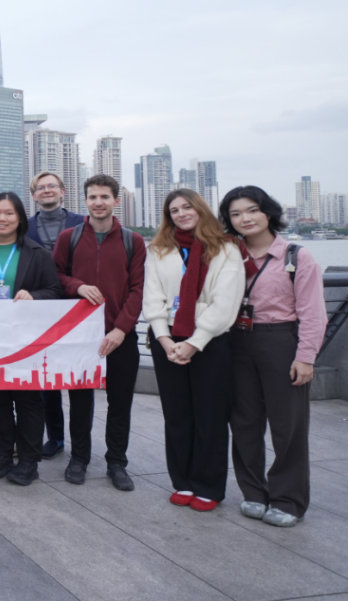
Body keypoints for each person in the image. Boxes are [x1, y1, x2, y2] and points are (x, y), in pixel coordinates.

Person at [223, 186, 328, 527]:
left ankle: (288, 500)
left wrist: (306, 357)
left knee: (288, 425)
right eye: (236, 214)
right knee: (244, 422)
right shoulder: (229, 255)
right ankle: (253, 492)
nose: (245, 218)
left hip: (280, 342)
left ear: (268, 212)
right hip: (237, 342)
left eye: (252, 210)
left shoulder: (296, 257)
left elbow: (313, 313)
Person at [144, 189, 245, 512]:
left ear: (201, 209)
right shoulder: (159, 249)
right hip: (167, 340)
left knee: (210, 415)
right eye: (174, 210)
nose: (181, 214)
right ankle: (183, 481)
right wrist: (164, 339)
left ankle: (208, 486)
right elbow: (153, 298)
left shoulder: (226, 249)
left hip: (210, 341)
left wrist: (193, 343)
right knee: (177, 415)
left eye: (187, 207)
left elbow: (225, 303)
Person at [51, 174, 146, 491]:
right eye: (93, 197)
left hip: (120, 336)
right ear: (85, 201)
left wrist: (121, 329)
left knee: (120, 403)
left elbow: (138, 289)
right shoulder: (69, 238)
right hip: (80, 336)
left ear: (116, 201)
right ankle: (79, 458)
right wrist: (77, 286)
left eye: (105, 197)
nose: (98, 202)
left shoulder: (133, 241)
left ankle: (117, 462)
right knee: (79, 402)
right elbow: (55, 276)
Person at [0, 193, 62, 486]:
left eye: (9, 213)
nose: (2, 218)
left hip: (26, 338)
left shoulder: (37, 253)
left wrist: (34, 295)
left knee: (28, 399)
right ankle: (2, 454)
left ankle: (28, 461)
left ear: (20, 218)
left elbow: (55, 290)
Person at [28, 171, 88, 458]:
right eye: (41, 188)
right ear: (34, 195)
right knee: (46, 379)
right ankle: (55, 438)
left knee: (78, 380)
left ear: (63, 191)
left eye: (52, 186)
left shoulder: (82, 223)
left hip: (78, 306)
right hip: (41, 307)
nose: (47, 190)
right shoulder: (26, 227)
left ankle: (81, 445)